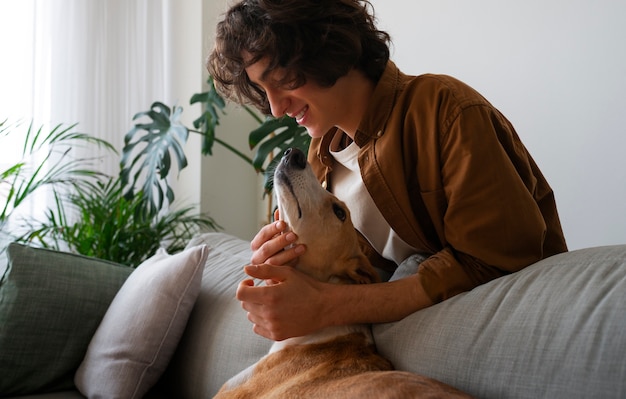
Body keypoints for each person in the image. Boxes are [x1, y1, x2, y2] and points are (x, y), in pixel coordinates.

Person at [208, 0, 568, 341]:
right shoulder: (321, 157)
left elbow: (491, 261)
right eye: (262, 90)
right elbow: (358, 275)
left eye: (283, 78)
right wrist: (285, 264)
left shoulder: (446, 111)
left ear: (325, 48)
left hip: (511, 329)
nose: (274, 108)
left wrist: (324, 306)